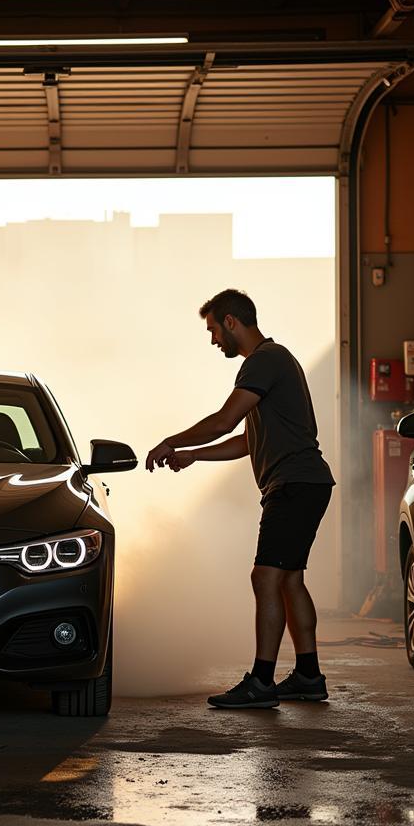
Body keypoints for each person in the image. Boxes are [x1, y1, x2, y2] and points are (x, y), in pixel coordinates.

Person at [146, 289, 335, 709]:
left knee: (265, 577)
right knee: (288, 579)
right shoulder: (275, 362)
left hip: (293, 485)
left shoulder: (263, 361)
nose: (214, 340)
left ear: (232, 322)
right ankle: (308, 676)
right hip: (303, 484)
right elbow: (247, 439)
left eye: (213, 330)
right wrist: (192, 456)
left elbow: (223, 420)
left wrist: (170, 442)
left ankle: (262, 683)